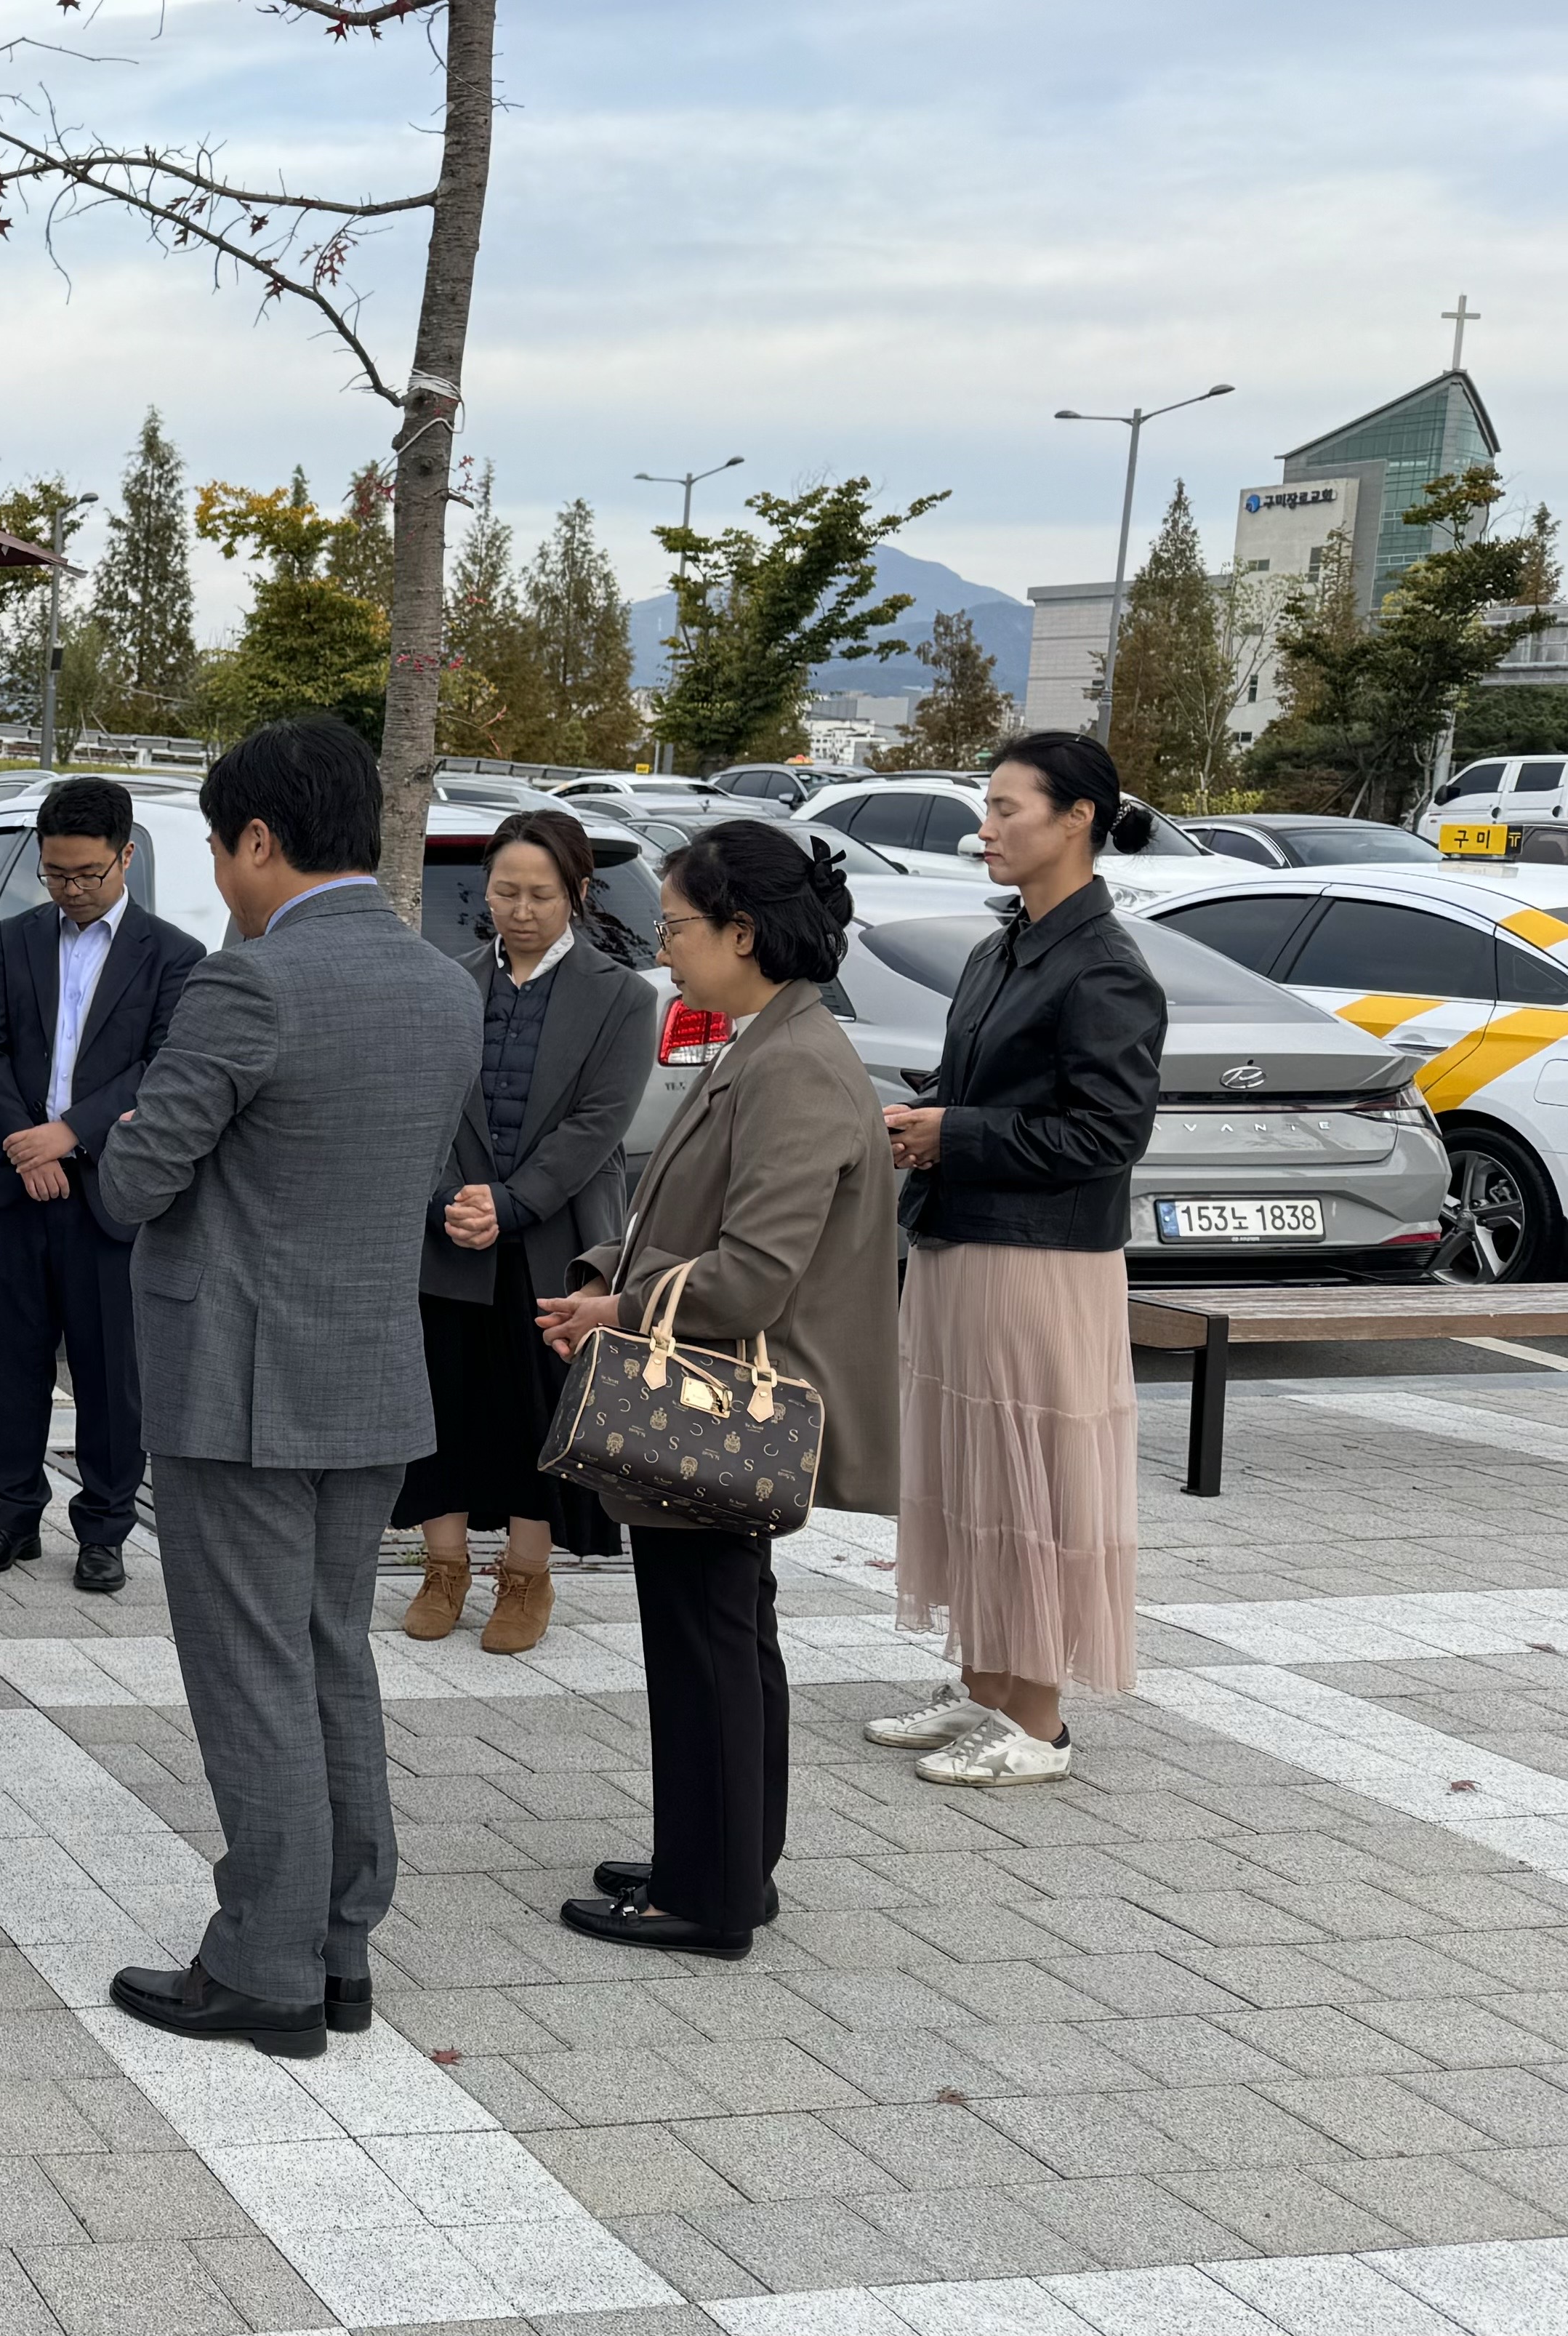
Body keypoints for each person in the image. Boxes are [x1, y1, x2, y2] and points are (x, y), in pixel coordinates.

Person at [89, 717, 475, 2059]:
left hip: (238, 1384)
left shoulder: (249, 983)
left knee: (251, 1672)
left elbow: (134, 1180)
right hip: (369, 1371)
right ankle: (341, 1943)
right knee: (328, 1655)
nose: (217, 875)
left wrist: (136, 1134)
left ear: (259, 839)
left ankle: (263, 1961)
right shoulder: (442, 985)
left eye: (217, 848)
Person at [538, 823, 901, 1956]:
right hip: (716, 1386)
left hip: (723, 1398)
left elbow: (752, 1274)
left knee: (710, 1645)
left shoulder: (794, 1063)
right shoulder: (773, 1039)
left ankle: (707, 1897)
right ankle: (729, 1861)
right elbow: (691, 1220)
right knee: (725, 1640)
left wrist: (620, 1307)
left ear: (743, 933)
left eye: (677, 927)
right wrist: (609, 1274)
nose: (667, 948)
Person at [871, 733, 1166, 1788]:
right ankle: (988, 1684)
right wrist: (929, 1123)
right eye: (986, 807)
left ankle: (1037, 1721)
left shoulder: (1105, 965)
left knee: (1029, 1481)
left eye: (1007, 808)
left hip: (1039, 1261)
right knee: (971, 1470)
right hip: (964, 1239)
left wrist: (955, 1132)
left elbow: (1109, 1135)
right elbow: (990, 1091)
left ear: (1078, 817)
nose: (984, 827)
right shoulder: (1005, 946)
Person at [398, 808, 656, 1653]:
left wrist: (508, 1204)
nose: (520, 910)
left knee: (536, 1409)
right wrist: (450, 1201)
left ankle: (525, 1573)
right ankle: (443, 1568)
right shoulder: (447, 982)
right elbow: (423, 1105)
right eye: (505, 892)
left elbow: (597, 1126)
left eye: (540, 895)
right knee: (440, 1400)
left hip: (557, 1231)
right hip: (449, 1230)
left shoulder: (622, 997)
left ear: (576, 893)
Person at [0, 777, 201, 1593]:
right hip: (14, 1186)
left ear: (125, 857)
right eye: (55, 873)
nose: (70, 890)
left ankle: (104, 1527)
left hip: (108, 1193)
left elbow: (161, 1065)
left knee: (108, 1370)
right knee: (15, 1359)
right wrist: (27, 1149)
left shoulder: (173, 956)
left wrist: (70, 1135)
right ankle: (11, 1513)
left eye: (87, 874)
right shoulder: (15, 939)